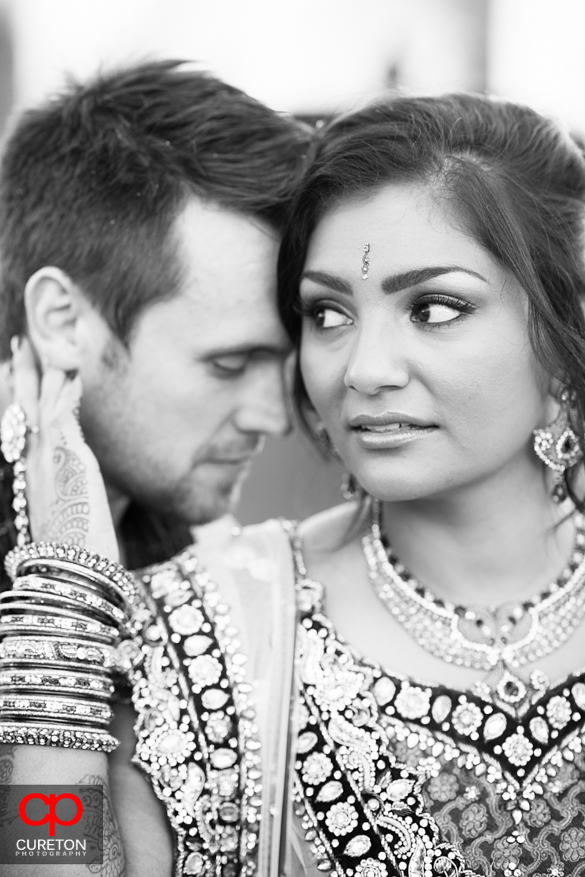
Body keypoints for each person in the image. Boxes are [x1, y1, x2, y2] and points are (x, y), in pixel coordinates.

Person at [4, 90, 585, 877]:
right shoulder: (197, 631)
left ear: (562, 329)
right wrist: (64, 613)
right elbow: (45, 861)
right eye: (328, 314)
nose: (363, 371)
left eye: (435, 307)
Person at [0, 59, 311, 877]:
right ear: (63, 320)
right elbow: (49, 858)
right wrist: (65, 607)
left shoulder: (190, 544)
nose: (272, 417)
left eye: (282, 366)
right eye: (229, 362)